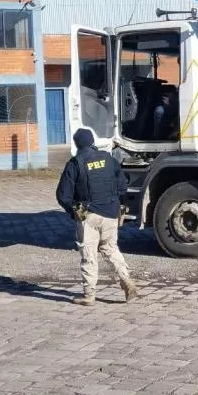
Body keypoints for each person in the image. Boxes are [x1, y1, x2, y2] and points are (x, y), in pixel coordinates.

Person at [56, 128, 139, 305]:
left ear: (77, 144)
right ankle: (126, 280)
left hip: (88, 216)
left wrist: (73, 211)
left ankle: (89, 295)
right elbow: (122, 186)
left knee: (89, 255)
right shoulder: (109, 159)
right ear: (92, 141)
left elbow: (63, 195)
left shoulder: (75, 163)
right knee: (110, 248)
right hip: (111, 213)